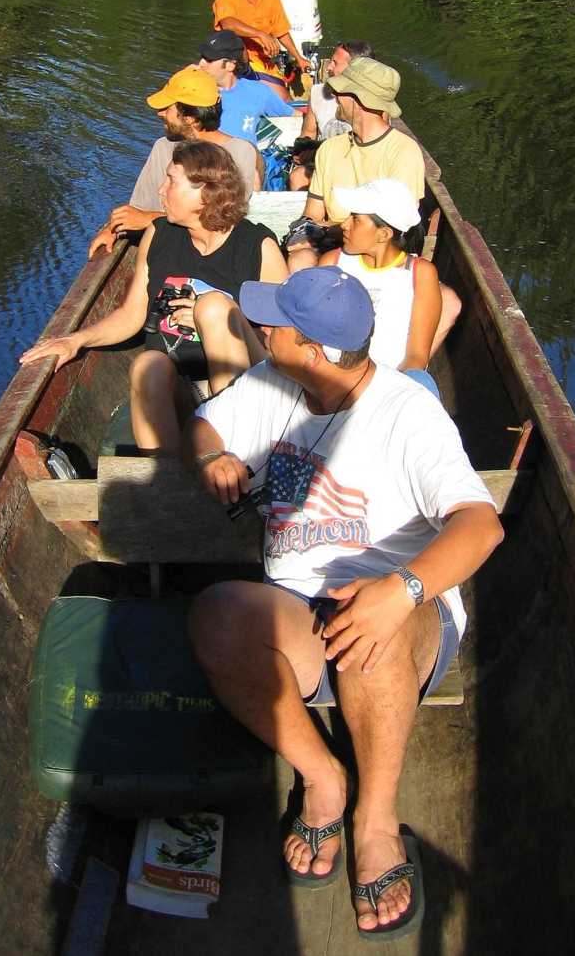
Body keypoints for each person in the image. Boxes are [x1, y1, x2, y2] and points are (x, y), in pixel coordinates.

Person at [185, 268, 502, 938]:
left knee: (369, 628)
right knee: (214, 618)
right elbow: (207, 424)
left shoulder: (406, 411)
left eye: (277, 324)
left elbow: (482, 523)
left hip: (398, 616)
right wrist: (214, 456)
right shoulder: (277, 382)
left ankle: (375, 818)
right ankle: (323, 775)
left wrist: (403, 589)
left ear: (321, 349)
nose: (261, 328)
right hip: (299, 610)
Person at [22, 142, 287, 452]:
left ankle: (234, 455)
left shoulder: (256, 246)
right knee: (147, 364)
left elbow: (283, 340)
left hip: (242, 388)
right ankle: (164, 478)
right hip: (183, 386)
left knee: (215, 309)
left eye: (171, 180)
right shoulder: (159, 234)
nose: (161, 190)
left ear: (205, 193)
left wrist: (220, 319)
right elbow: (132, 315)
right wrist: (76, 340)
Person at [87, 67, 259, 258]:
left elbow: (224, 220)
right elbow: (139, 209)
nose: (159, 113)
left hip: (213, 256)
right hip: (164, 250)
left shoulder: (240, 152)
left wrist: (149, 218)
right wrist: (113, 229)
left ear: (190, 118)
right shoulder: (163, 147)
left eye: (167, 108)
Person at [318, 178, 461, 396]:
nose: (344, 224)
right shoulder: (332, 262)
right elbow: (317, 332)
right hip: (332, 378)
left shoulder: (420, 274)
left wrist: (380, 395)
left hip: (391, 385)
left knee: (422, 383)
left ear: (383, 234)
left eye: (355, 219)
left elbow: (416, 356)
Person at [286, 56, 424, 273]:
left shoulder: (403, 152)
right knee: (300, 258)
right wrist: (307, 230)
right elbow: (312, 213)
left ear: (359, 100)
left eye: (340, 92)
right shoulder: (330, 149)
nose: (335, 96)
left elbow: (396, 230)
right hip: (336, 244)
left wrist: (326, 229)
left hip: (378, 251)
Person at [212, 0, 310, 93]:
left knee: (282, 98)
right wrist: (261, 34)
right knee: (235, 41)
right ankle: (246, 82)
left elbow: (281, 31)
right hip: (233, 59)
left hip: (262, 62)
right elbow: (227, 23)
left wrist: (298, 57)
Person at [194, 30, 295, 146]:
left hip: (244, 160)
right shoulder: (191, 91)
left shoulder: (259, 92)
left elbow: (292, 115)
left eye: (209, 60)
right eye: (202, 57)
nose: (201, 63)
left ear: (230, 65)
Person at [299, 39, 374, 142]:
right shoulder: (318, 92)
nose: (328, 67)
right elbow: (308, 133)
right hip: (324, 155)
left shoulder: (375, 98)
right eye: (331, 61)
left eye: (335, 63)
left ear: (355, 69)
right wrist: (304, 149)